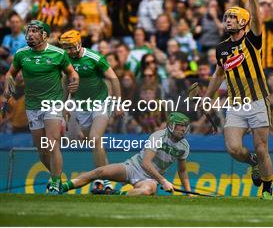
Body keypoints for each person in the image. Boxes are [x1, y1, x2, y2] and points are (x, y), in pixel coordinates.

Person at [203, 0, 273, 200]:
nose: (229, 20)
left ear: (243, 21)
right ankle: (253, 163)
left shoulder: (252, 40)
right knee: (233, 148)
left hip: (258, 101)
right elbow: (218, 74)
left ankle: (267, 187)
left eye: (233, 17)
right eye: (227, 18)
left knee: (261, 147)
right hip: (235, 104)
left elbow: (258, 18)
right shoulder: (222, 48)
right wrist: (207, 97)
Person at [1, 20, 79, 194]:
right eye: (29, 31)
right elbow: (10, 74)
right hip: (32, 105)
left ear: (44, 35)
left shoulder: (58, 53)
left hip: (52, 103)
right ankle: (56, 176)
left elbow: (72, 73)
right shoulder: (21, 54)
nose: (31, 34)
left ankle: (56, 183)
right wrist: (8, 86)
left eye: (35, 31)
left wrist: (73, 89)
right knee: (41, 151)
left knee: (52, 144)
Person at [61, 113, 192, 196]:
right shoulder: (158, 136)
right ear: (170, 126)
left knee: (146, 191)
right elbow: (146, 163)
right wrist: (163, 181)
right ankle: (63, 187)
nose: (182, 129)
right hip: (133, 167)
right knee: (99, 172)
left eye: (184, 127)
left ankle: (115, 194)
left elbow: (183, 171)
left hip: (149, 179)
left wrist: (189, 194)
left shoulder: (184, 146)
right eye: (179, 126)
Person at [58, 30, 122, 192]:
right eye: (66, 48)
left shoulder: (95, 58)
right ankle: (104, 181)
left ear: (79, 43)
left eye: (72, 47)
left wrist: (118, 102)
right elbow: (66, 81)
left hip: (101, 102)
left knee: (94, 139)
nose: (70, 51)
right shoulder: (66, 59)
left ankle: (103, 180)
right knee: (96, 145)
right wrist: (65, 104)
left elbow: (113, 78)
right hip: (82, 106)